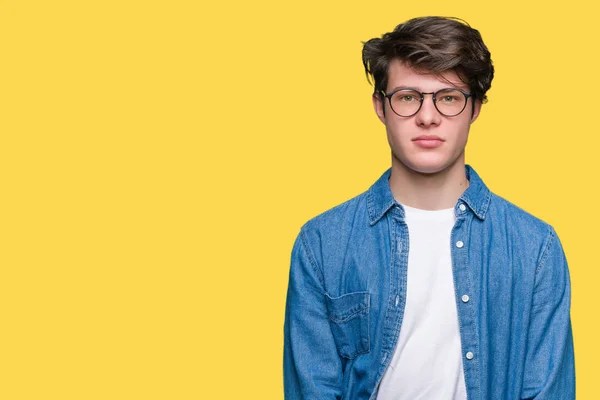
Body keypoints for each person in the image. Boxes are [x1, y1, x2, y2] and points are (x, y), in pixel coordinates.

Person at [282, 16, 575, 399]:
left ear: (475, 108)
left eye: (448, 97)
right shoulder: (321, 244)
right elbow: (312, 389)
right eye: (408, 97)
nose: (427, 116)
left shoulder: (536, 248)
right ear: (380, 107)